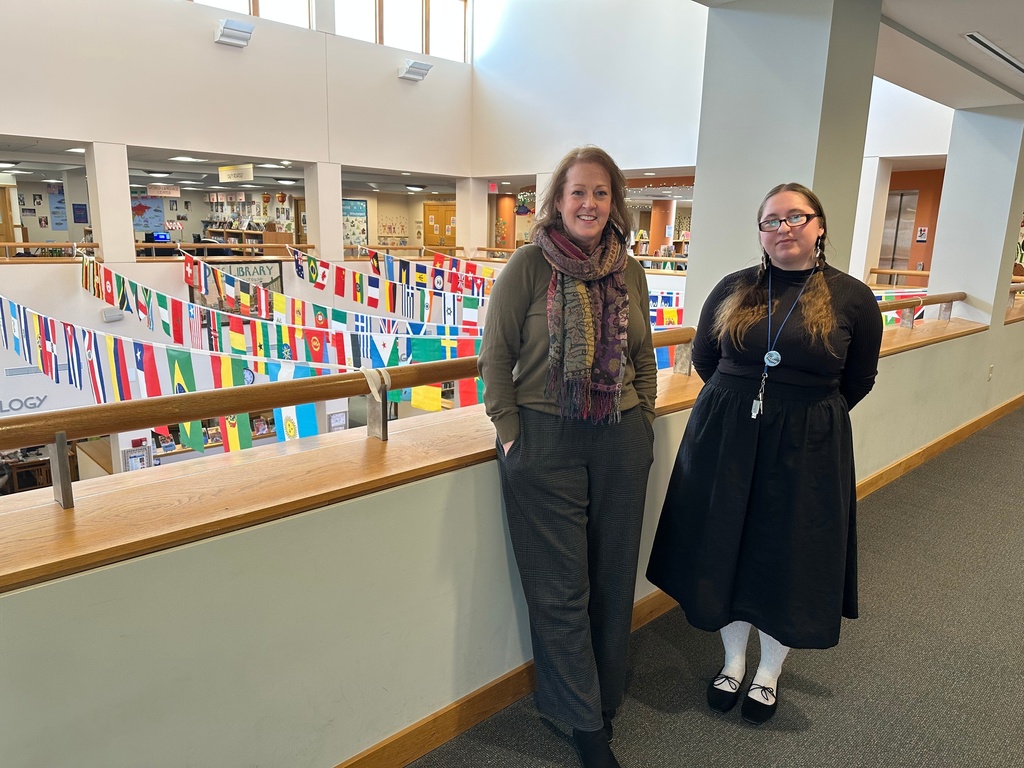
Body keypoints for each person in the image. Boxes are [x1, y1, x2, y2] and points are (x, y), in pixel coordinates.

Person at [646, 182, 883, 725]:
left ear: (819, 226)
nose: (784, 229)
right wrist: (741, 400)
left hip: (809, 444)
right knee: (725, 542)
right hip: (726, 436)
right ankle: (731, 661)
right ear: (760, 232)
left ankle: (769, 672)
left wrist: (801, 413)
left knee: (788, 554)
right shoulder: (734, 287)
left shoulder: (852, 297)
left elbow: (860, 377)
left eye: (796, 218)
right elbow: (706, 355)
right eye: (772, 221)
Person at [478, 146, 657, 768]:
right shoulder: (528, 266)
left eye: (601, 193)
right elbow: (494, 356)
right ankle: (580, 721)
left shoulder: (628, 272)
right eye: (577, 192)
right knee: (559, 588)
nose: (588, 203)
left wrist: (646, 418)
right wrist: (508, 431)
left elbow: (643, 354)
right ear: (556, 201)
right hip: (544, 438)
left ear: (615, 205)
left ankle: (605, 695)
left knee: (613, 571)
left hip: (620, 433)